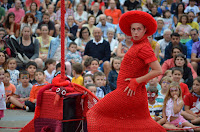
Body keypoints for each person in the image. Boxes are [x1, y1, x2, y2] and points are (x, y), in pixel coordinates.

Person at [86, 11, 166, 131]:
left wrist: (137, 81)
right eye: (133, 29)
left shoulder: (143, 47)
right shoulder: (139, 45)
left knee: (93, 114)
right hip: (130, 91)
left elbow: (158, 70)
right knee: (135, 123)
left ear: (145, 30)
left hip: (127, 92)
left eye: (139, 29)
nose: (135, 32)